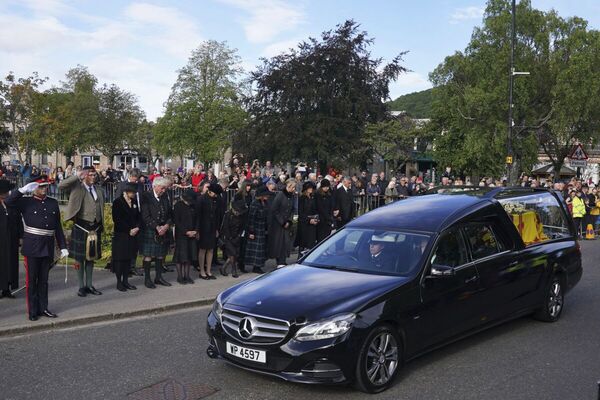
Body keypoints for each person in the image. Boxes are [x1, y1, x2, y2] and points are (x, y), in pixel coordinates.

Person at [4, 176, 68, 321]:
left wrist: (62, 246)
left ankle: (43, 308)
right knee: (32, 280)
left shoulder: (53, 202)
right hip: (32, 245)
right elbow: (8, 202)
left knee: (44, 280)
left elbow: (57, 226)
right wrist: (21, 191)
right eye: (41, 186)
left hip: (48, 245)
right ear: (33, 188)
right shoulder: (25, 202)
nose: (44, 189)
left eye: (45, 186)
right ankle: (33, 311)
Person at [59, 166, 105, 297]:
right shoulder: (77, 187)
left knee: (91, 257)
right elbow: (61, 186)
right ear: (84, 175)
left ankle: (89, 285)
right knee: (79, 258)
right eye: (90, 174)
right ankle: (81, 286)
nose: (93, 177)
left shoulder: (98, 190)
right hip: (81, 226)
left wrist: (101, 223)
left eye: (94, 174)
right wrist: (77, 175)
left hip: (95, 227)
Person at [140, 177, 173, 288]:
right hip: (150, 229)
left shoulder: (165, 196)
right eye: (162, 188)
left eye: (165, 188)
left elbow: (170, 213)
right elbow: (145, 215)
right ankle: (147, 279)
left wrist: (167, 225)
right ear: (155, 186)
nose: (164, 190)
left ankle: (158, 278)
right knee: (148, 255)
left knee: (160, 255)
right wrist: (157, 227)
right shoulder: (146, 196)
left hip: (163, 230)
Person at [111, 182, 141, 292]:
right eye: (132, 192)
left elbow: (138, 216)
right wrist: (129, 230)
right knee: (120, 259)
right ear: (126, 192)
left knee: (129, 259)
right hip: (121, 235)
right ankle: (119, 282)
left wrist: (137, 227)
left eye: (134, 192)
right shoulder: (117, 202)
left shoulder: (134, 202)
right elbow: (117, 219)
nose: (133, 194)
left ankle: (126, 281)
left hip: (133, 235)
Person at [0, 180, 22, 298]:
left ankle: (7, 288)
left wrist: (21, 236)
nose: (8, 193)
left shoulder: (13, 204)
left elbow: (19, 221)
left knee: (11, 263)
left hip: (12, 238)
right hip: (1, 238)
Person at [196, 183, 222, 280]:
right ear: (210, 191)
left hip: (212, 227)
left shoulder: (216, 200)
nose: (216, 196)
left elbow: (217, 215)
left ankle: (209, 271)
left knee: (211, 249)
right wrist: (197, 230)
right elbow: (198, 216)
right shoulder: (201, 199)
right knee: (203, 249)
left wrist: (216, 229)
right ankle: (202, 270)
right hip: (203, 228)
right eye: (215, 194)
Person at [173, 189, 198, 284]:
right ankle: (180, 277)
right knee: (180, 257)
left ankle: (187, 276)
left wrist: (195, 230)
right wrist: (186, 231)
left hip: (192, 233)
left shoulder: (193, 206)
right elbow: (177, 221)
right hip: (181, 234)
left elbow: (197, 219)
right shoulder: (178, 205)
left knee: (189, 256)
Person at [219, 199, 248, 278]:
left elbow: (243, 227)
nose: (238, 213)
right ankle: (233, 269)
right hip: (228, 237)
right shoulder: (228, 215)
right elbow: (225, 227)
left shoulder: (242, 216)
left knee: (234, 254)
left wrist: (238, 236)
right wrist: (230, 237)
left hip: (237, 237)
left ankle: (223, 267)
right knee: (233, 253)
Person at [245, 186, 270, 274]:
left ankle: (258, 265)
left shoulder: (265, 203)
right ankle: (255, 266)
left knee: (261, 248)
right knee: (256, 248)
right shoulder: (255, 204)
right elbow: (251, 218)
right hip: (256, 228)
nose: (268, 196)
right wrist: (251, 231)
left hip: (262, 228)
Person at [297, 181, 319, 252]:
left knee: (311, 242)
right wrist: (308, 220)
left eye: (312, 188)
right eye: (309, 188)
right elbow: (300, 212)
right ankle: (300, 256)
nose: (311, 189)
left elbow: (315, 209)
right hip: (304, 222)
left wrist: (316, 218)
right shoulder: (302, 198)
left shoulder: (313, 197)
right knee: (303, 241)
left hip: (312, 222)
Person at [315, 178, 335, 243]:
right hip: (322, 219)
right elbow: (320, 207)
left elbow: (331, 205)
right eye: (325, 187)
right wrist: (328, 217)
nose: (326, 188)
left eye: (327, 187)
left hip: (328, 218)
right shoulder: (318, 194)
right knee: (321, 237)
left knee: (327, 237)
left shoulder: (329, 194)